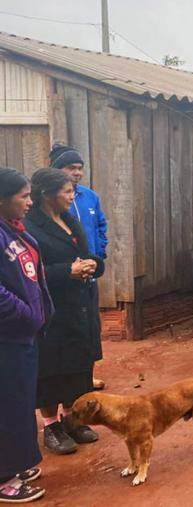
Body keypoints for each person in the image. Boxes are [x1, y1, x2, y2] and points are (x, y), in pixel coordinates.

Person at [24, 168, 103, 456]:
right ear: (47, 195)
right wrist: (65, 272)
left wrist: (94, 264)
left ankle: (72, 418)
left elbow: (85, 252)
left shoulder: (69, 219)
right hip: (52, 309)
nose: (73, 197)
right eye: (67, 192)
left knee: (78, 364)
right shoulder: (31, 227)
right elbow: (29, 271)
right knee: (51, 368)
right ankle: (51, 425)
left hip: (79, 304)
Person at [0, 168, 53, 503]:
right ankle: (4, 478)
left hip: (23, 336)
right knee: (7, 407)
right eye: (24, 196)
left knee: (19, 404)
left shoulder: (13, 231)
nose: (30, 203)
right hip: (7, 337)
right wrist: (26, 314)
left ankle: (15, 463)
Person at [49, 143, 107, 392]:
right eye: (71, 167)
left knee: (90, 333)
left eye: (80, 168)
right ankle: (64, 390)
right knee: (63, 338)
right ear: (57, 170)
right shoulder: (48, 204)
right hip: (63, 282)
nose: (77, 173)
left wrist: (98, 255)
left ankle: (85, 378)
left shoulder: (89, 196)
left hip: (89, 277)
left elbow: (101, 227)